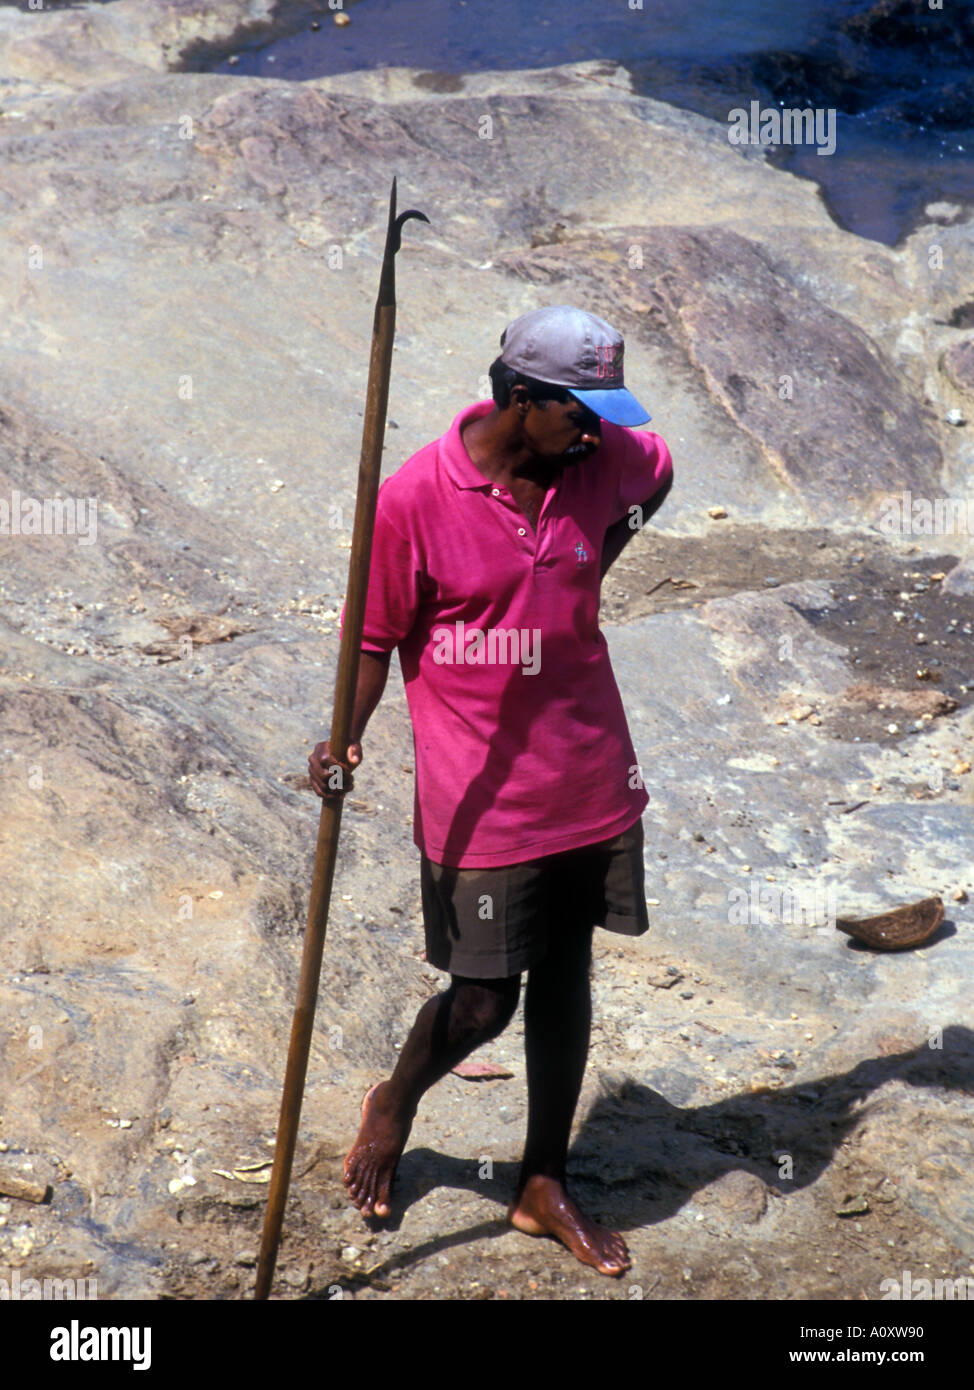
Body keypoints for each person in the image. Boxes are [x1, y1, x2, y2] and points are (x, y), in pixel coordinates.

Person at [309, 305, 673, 1276]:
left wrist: (587, 560)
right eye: (579, 411)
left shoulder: (605, 460)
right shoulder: (413, 500)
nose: (598, 430)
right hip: (482, 801)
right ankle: (394, 1101)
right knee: (480, 1001)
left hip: (591, 778)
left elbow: (657, 464)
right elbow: (373, 639)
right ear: (519, 400)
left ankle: (541, 1179)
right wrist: (342, 737)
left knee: (566, 977)